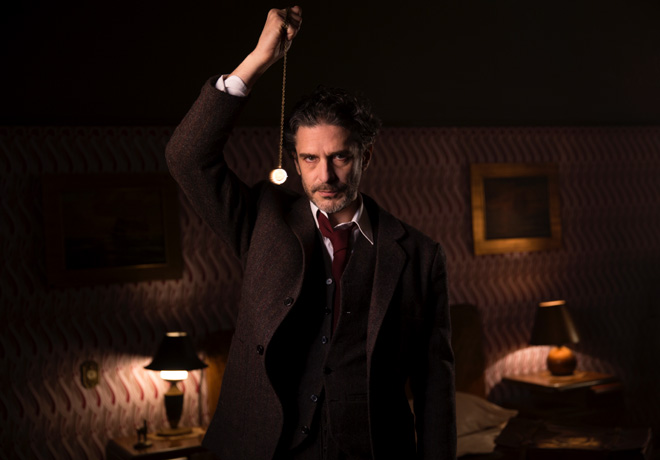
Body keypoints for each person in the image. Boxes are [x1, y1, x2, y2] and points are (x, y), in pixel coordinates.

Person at [165, 6, 456, 460]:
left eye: (340, 157)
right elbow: (186, 157)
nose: (325, 176)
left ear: (365, 156)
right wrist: (259, 59)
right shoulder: (263, 220)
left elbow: (434, 385)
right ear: (296, 161)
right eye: (309, 159)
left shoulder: (419, 255)